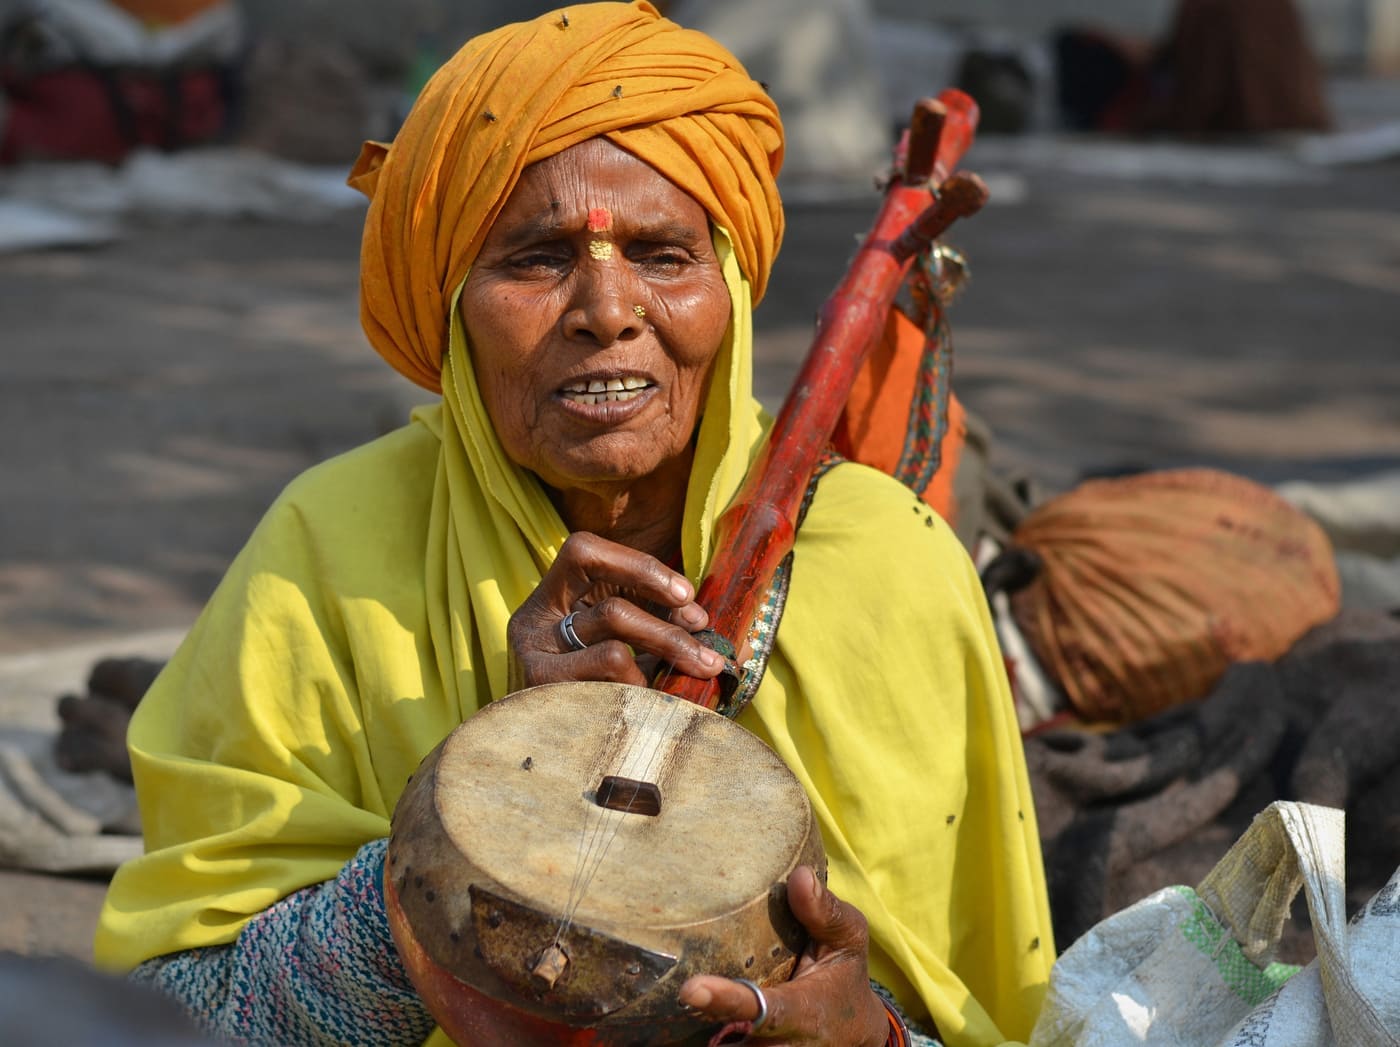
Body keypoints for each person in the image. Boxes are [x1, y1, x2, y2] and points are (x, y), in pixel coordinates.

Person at [94, 3, 1054, 1045]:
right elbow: (187, 1020)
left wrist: (870, 1038)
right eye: (538, 258)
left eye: (663, 256)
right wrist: (495, 797)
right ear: (452, 305)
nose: (607, 307)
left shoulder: (887, 565)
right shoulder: (328, 551)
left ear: (729, 290)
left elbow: (983, 997)